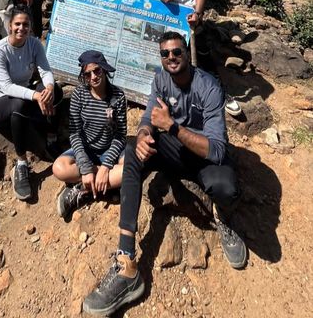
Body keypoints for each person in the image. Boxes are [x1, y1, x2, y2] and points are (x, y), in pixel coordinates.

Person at [83, 31, 247, 316]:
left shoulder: (208, 86)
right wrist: (146, 134)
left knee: (226, 189)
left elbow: (218, 151)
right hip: (175, 149)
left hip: (204, 157)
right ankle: (126, 261)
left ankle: (222, 217)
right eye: (165, 53)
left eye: (176, 52)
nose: (170, 58)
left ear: (186, 53)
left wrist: (171, 126)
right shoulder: (160, 79)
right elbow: (148, 119)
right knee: (135, 148)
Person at [0, 6, 57, 201]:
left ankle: (49, 132)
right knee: (19, 105)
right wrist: (36, 95)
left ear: (31, 27)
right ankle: (21, 162)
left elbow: (45, 70)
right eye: (17, 24)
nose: (21, 28)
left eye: (25, 24)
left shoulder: (34, 44)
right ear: (9, 26)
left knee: (52, 90)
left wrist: (47, 89)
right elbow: (6, 87)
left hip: (23, 94)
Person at [53, 50, 127, 218]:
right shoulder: (79, 95)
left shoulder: (118, 96)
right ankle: (107, 185)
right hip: (87, 150)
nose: (93, 76)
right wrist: (86, 168)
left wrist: (106, 166)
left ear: (104, 69)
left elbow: (121, 135)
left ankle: (83, 189)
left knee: (130, 167)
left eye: (97, 70)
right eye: (88, 74)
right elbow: (75, 134)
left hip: (110, 149)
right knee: (58, 168)